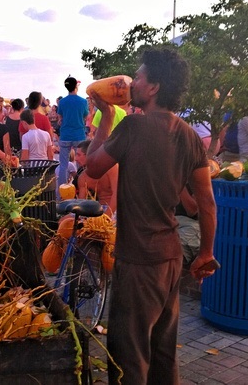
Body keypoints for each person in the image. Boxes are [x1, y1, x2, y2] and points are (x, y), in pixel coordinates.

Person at [85, 47, 218, 384]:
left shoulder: (132, 127)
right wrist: (205, 253)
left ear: (154, 87)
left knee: (128, 359)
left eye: (140, 77)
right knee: (163, 355)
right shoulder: (189, 135)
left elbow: (92, 168)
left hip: (139, 260)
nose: (134, 83)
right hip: (170, 258)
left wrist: (105, 117)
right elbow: (206, 203)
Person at [57, 76, 89, 191]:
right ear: (76, 86)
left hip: (65, 135)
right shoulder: (83, 101)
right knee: (81, 163)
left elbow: (60, 117)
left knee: (63, 165)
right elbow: (85, 116)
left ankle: (62, 191)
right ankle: (81, 188)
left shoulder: (62, 102)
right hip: (79, 135)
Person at [77, 140, 118, 217]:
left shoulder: (110, 167)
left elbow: (117, 193)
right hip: (99, 209)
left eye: (78, 155)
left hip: (116, 209)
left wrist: (107, 216)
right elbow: (81, 203)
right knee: (64, 220)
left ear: (88, 155)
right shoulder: (82, 177)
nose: (76, 158)